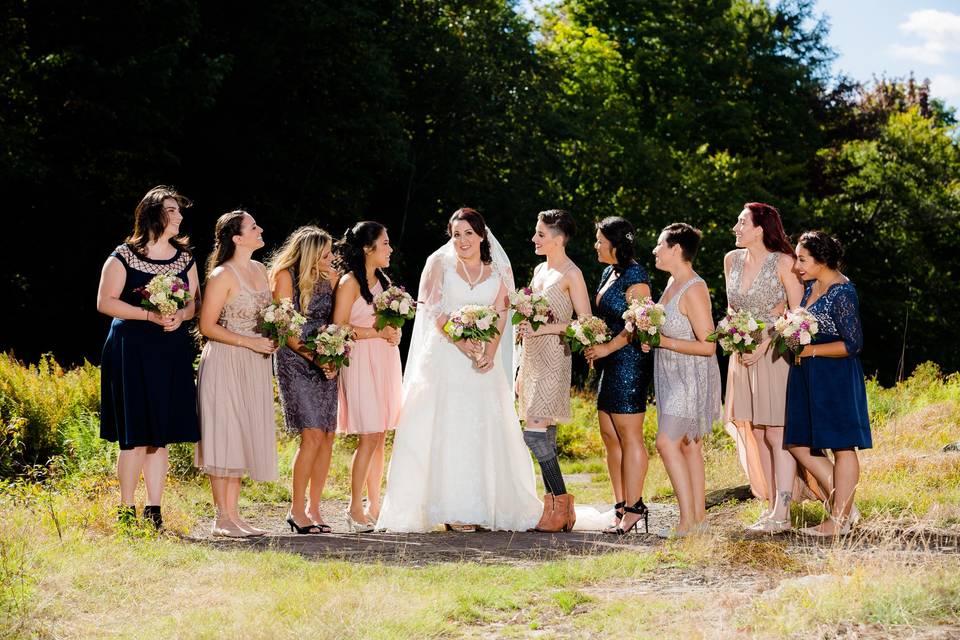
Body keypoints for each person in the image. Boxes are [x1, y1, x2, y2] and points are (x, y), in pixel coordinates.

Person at [376, 207, 542, 533]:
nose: (462, 241)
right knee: (445, 427)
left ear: (481, 235)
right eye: (456, 235)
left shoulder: (497, 272)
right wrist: (462, 343)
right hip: (445, 359)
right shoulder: (440, 264)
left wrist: (489, 354)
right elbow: (433, 309)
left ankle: (482, 504)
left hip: (483, 362)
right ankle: (449, 507)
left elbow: (500, 315)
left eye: (468, 233)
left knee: (479, 429)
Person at [97, 185, 201, 528]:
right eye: (173, 210)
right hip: (132, 349)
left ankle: (154, 510)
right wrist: (149, 315)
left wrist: (180, 316)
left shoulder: (184, 258)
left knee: (160, 435)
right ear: (154, 214)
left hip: (169, 349)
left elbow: (193, 303)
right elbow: (106, 302)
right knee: (136, 435)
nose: (180, 216)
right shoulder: (124, 255)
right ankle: (126, 510)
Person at [723, 202, 811, 533]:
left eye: (742, 221)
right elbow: (732, 310)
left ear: (760, 228)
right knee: (756, 432)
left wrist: (765, 340)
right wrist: (734, 339)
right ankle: (771, 506)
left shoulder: (784, 262)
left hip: (774, 353)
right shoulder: (731, 260)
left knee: (777, 433)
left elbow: (799, 313)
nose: (736, 227)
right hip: (742, 355)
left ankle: (784, 513)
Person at [196, 211, 278, 537]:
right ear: (237, 238)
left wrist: (275, 332)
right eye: (253, 227)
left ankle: (235, 514)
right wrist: (249, 341)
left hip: (254, 362)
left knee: (242, 433)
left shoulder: (259, 269)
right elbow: (206, 326)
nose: (260, 230)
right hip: (226, 360)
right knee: (224, 433)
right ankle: (221, 518)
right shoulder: (222, 275)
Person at [785, 231, 871, 536]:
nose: (797, 265)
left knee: (842, 446)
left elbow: (853, 343)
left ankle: (837, 521)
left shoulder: (842, 291)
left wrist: (811, 350)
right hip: (808, 375)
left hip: (835, 377)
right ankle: (845, 508)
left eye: (802, 259)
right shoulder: (811, 286)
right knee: (797, 442)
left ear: (822, 260)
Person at [516, 209, 592, 532]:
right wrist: (519, 367)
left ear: (558, 240)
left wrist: (544, 330)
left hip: (555, 360)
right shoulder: (538, 270)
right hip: (532, 360)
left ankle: (561, 502)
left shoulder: (571, 274)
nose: (534, 239)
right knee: (543, 433)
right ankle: (555, 510)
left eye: (540, 234)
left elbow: (587, 324)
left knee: (533, 434)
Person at [645, 223, 722, 538]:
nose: (655, 250)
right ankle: (698, 519)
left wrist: (664, 342)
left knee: (666, 442)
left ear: (676, 249)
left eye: (660, 245)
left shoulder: (694, 287)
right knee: (689, 446)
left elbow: (709, 344)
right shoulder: (671, 283)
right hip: (668, 374)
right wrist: (651, 338)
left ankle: (686, 520)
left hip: (690, 376)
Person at [331, 221, 403, 533]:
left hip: (385, 359)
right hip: (360, 360)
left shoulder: (384, 281)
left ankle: (375, 505)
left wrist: (395, 332)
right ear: (367, 248)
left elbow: (388, 321)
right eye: (385, 243)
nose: (390, 249)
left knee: (380, 435)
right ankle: (354, 507)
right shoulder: (349, 282)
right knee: (368, 435)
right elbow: (339, 326)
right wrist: (377, 332)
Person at [584, 217, 654, 535]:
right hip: (609, 362)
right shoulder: (607, 272)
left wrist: (606, 348)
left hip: (628, 362)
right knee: (610, 436)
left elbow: (639, 322)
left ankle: (635, 507)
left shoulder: (636, 275)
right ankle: (619, 504)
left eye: (600, 240)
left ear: (615, 243)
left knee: (630, 436)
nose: (596, 245)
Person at [269, 226, 339, 534]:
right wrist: (317, 358)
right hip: (295, 360)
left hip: (326, 359)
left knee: (327, 436)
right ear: (310, 254)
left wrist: (335, 355)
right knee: (310, 434)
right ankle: (296, 510)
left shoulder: (331, 279)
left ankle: (315, 507)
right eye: (325, 253)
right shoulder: (286, 277)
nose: (331, 257)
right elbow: (285, 330)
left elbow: (339, 321)